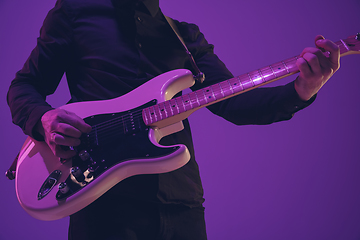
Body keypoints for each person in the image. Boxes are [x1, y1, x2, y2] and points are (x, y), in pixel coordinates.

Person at [7, 0, 340, 239]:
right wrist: (44, 118)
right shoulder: (75, 12)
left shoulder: (184, 36)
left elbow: (236, 105)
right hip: (103, 201)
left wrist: (302, 89)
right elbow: (24, 86)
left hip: (182, 205)